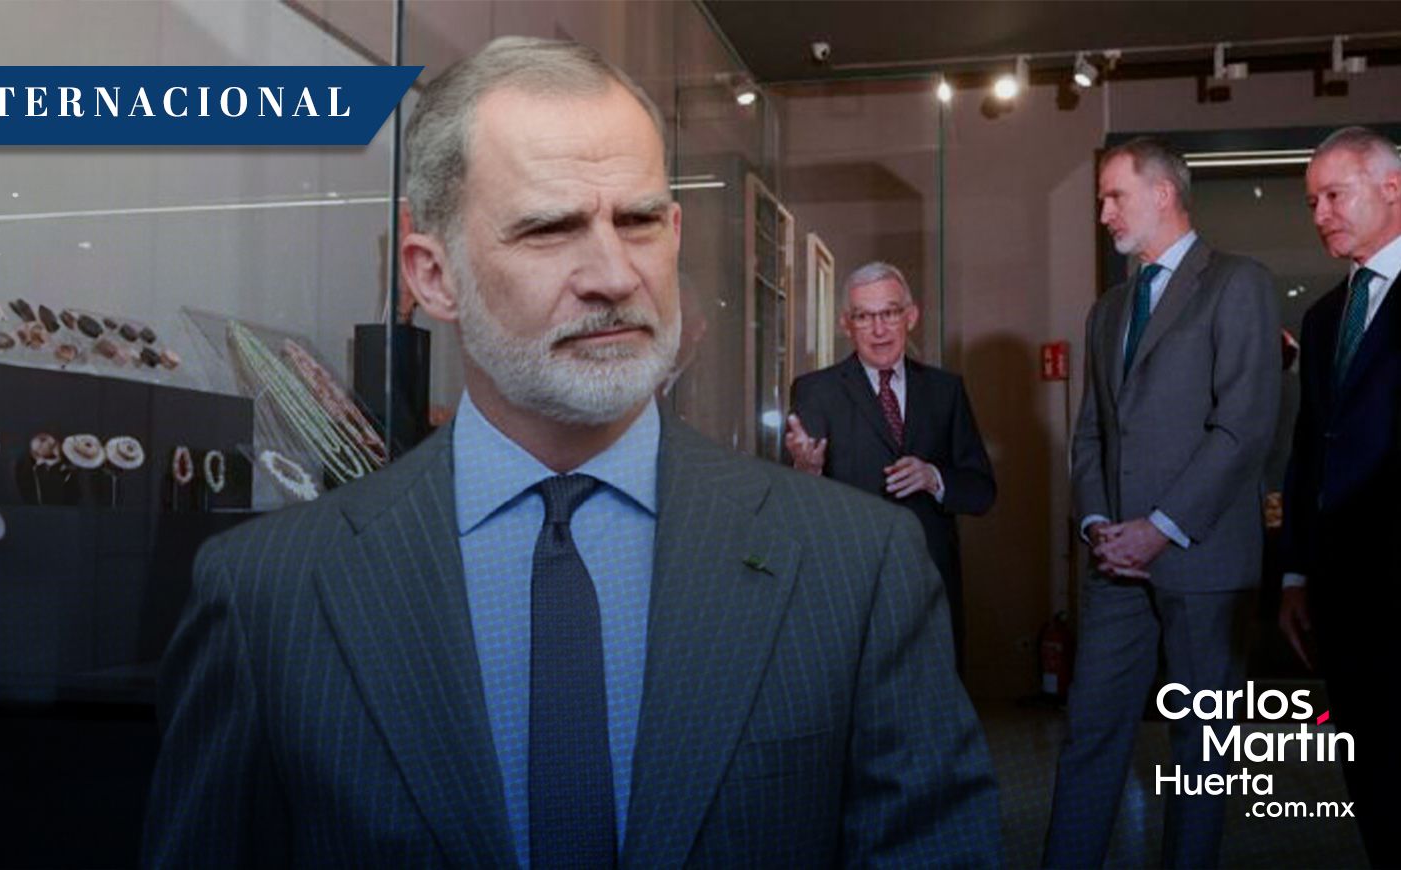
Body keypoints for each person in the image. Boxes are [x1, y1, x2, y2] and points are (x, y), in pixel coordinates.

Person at [143, 36, 1000, 867]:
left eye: (639, 221)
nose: (615, 275)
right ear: (434, 276)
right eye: (550, 228)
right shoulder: (268, 598)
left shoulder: (858, 569)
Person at [1043, 137, 1280, 868]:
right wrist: (1097, 524)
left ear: (1164, 194)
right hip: (1115, 565)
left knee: (1202, 751)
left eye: (1115, 196)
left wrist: (1161, 528)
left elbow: (1244, 427)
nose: (1104, 213)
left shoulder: (1238, 282)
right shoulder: (1108, 310)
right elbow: (1090, 435)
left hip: (1203, 562)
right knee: (1090, 734)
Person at [1279, 125, 1401, 868]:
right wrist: (1295, 572)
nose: (1321, 213)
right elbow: (1309, 449)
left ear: (1392, 188)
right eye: (1312, 202)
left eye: (1334, 194)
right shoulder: (1326, 317)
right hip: (1344, 594)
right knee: (1372, 778)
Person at [784, 262, 995, 669]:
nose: (879, 330)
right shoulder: (816, 391)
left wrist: (934, 477)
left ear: (910, 316)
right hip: (850, 587)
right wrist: (807, 472)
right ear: (846, 324)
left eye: (890, 313)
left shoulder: (945, 390)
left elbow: (981, 491)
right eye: (864, 317)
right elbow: (791, 506)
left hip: (929, 585)